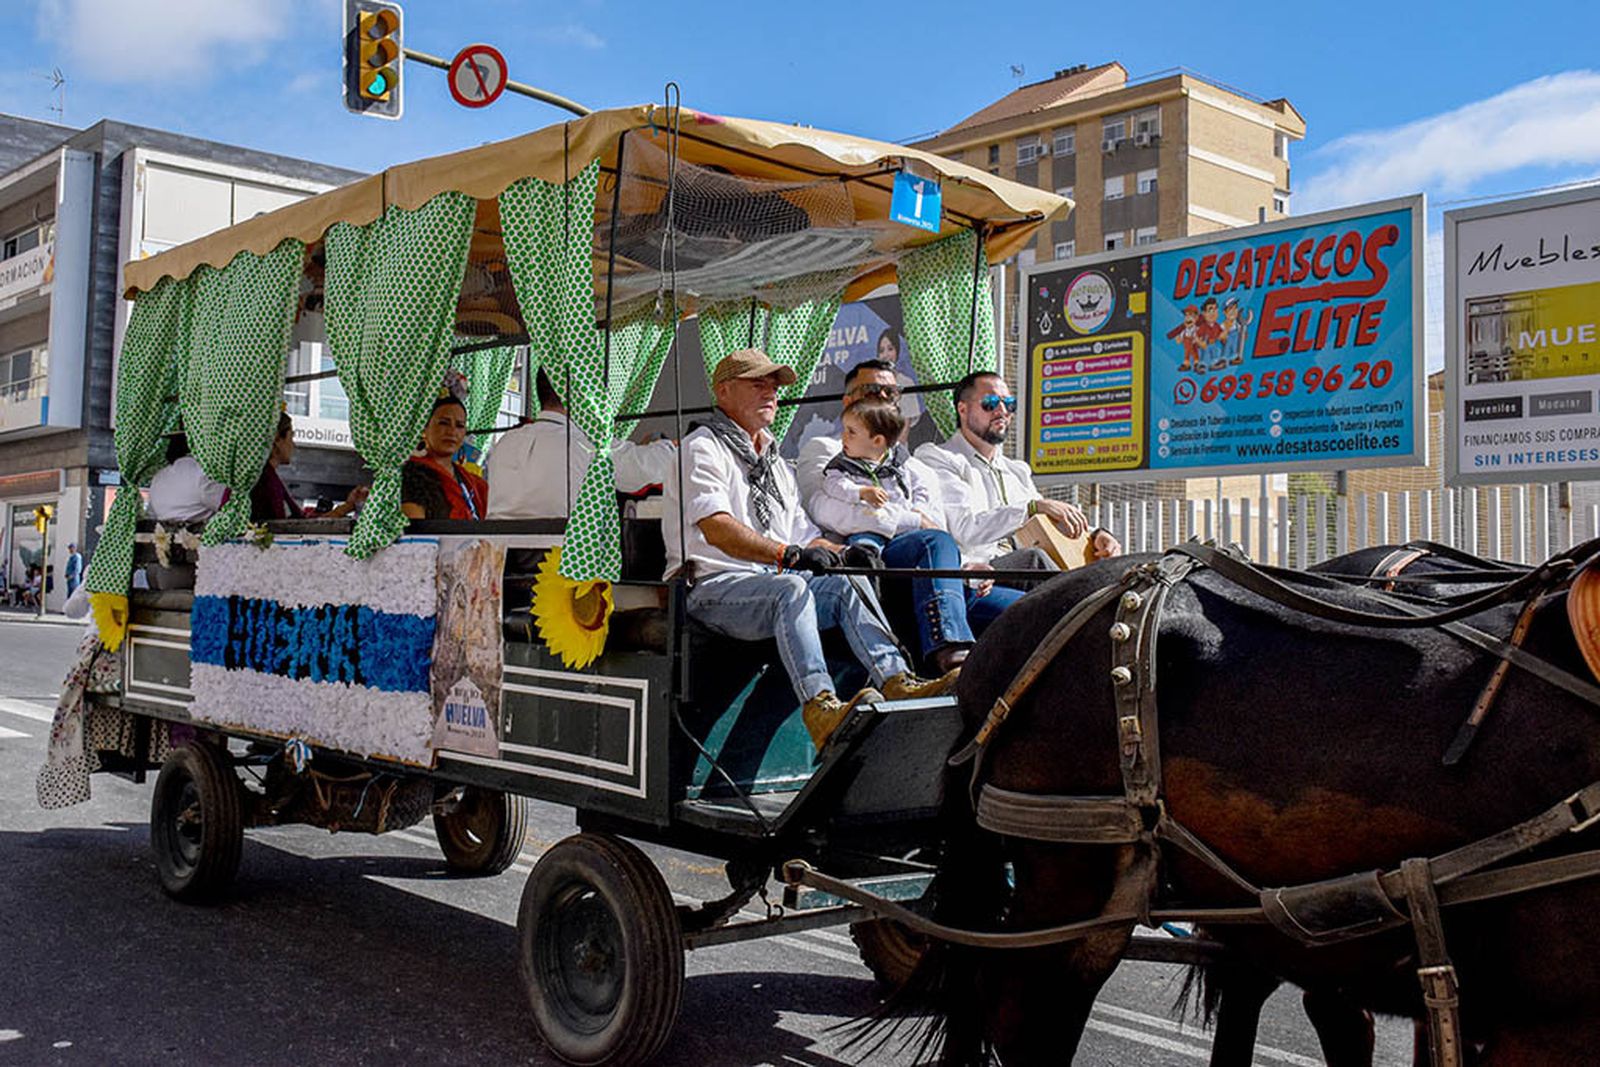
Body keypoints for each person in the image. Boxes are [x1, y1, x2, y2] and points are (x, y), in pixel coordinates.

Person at [665, 349, 957, 750]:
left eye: (774, 386)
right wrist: (788, 555)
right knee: (792, 589)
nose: (771, 393)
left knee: (845, 583)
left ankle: (896, 680)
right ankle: (820, 707)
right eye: (758, 384)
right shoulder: (702, 447)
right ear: (724, 391)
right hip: (713, 588)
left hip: (769, 582)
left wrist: (840, 553)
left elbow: (803, 533)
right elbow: (718, 530)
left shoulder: (773, 459)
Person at [799, 359, 1011, 674]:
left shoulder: (916, 466)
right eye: (872, 390)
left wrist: (965, 566)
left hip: (934, 582)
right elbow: (827, 511)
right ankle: (949, 649)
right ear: (847, 401)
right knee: (931, 542)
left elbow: (936, 527)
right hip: (872, 567)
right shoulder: (829, 450)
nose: (883, 397)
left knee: (1029, 609)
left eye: (892, 391)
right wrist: (910, 520)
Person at [915, 371, 1120, 579]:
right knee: (1034, 560)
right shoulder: (939, 457)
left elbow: (1048, 520)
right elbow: (966, 530)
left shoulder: (1016, 471)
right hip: (978, 572)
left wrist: (1096, 535)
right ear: (963, 409)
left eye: (1009, 403)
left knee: (1111, 566)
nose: (1002, 411)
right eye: (991, 403)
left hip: (1025, 568)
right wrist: (1031, 507)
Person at [487, 368, 677, 519]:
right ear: (579, 395)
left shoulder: (505, 442)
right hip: (561, 561)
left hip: (498, 560)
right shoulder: (587, 444)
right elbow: (644, 468)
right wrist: (668, 447)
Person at [809, 400, 936, 553]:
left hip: (903, 529)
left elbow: (919, 487)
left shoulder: (901, 463)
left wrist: (918, 510)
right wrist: (860, 492)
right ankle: (868, 564)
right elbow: (833, 485)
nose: (843, 436)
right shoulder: (843, 465)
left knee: (928, 540)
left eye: (851, 432)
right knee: (864, 547)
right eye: (844, 429)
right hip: (866, 530)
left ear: (877, 441)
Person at [253, 412, 367, 522]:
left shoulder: (267, 477)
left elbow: (300, 522)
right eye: (291, 437)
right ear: (277, 440)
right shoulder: (267, 481)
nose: (293, 444)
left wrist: (348, 506)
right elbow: (296, 526)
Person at [402, 394, 487, 521]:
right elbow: (414, 531)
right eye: (443, 423)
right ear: (424, 429)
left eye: (459, 425)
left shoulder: (472, 483)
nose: (452, 432)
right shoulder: (410, 475)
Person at [147, 433, 227, 522]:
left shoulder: (158, 476)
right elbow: (228, 505)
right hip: (198, 533)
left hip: (163, 533)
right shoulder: (203, 472)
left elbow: (151, 514)